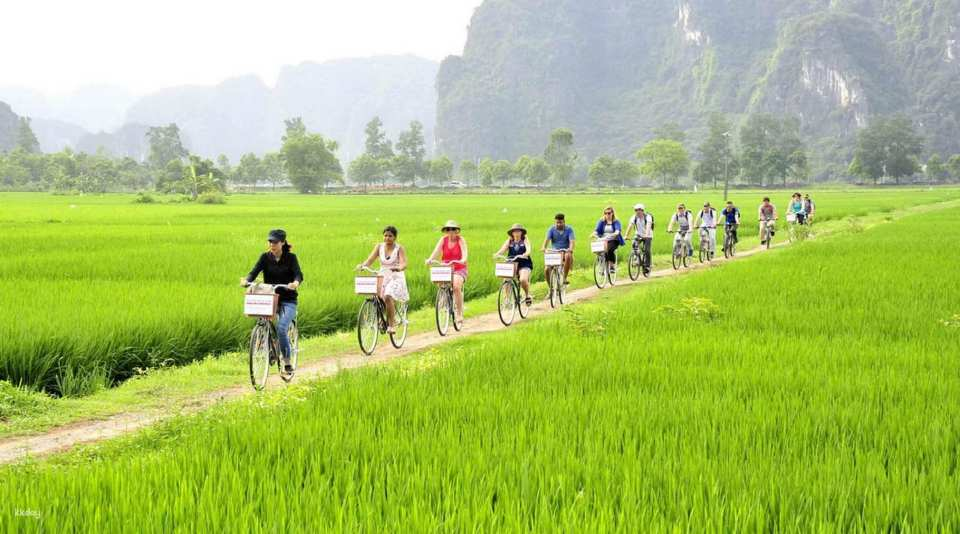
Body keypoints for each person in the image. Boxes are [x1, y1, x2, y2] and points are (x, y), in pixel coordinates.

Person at [241, 229, 303, 374]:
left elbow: (298, 274)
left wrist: (295, 283)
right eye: (270, 241)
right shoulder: (265, 257)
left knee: (282, 328)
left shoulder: (291, 258)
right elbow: (254, 272)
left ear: (282, 242)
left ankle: (287, 362)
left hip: (288, 300)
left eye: (275, 242)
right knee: (263, 319)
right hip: (270, 298)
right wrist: (246, 280)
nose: (272, 244)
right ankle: (268, 346)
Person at [357, 225, 408, 334]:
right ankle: (382, 318)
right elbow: (370, 260)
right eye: (385, 236)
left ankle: (392, 324)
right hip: (383, 275)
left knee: (388, 295)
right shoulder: (379, 247)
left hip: (395, 276)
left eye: (390, 236)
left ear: (395, 237)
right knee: (377, 295)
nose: (387, 238)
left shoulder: (399, 248)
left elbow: (404, 263)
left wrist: (399, 268)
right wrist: (363, 265)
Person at [425, 220, 468, 324]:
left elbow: (465, 252)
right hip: (445, 268)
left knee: (456, 286)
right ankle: (444, 297)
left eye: (453, 229)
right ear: (446, 231)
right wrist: (430, 259)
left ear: (456, 230)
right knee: (439, 281)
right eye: (448, 229)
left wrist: (463, 259)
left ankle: (459, 313)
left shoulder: (460, 240)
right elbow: (436, 251)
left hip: (459, 268)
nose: (451, 231)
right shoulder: (443, 240)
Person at [494, 224, 534, 305]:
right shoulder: (509, 240)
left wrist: (525, 254)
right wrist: (497, 254)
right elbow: (503, 249)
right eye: (514, 231)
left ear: (521, 232)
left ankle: (527, 295)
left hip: (524, 263)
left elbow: (528, 249)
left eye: (518, 231)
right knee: (506, 279)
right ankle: (507, 299)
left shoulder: (525, 239)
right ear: (512, 233)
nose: (516, 233)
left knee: (523, 279)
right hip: (511, 263)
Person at [541, 213, 575, 285]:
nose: (559, 224)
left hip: (565, 251)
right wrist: (544, 247)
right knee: (547, 269)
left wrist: (570, 249)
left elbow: (572, 241)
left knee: (568, 255)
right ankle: (550, 289)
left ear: (564, 222)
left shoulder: (569, 229)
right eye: (557, 222)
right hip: (555, 252)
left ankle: (564, 278)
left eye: (560, 222)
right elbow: (547, 240)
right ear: (555, 222)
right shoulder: (551, 229)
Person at [593, 206, 624, 274]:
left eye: (609, 213)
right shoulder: (601, 221)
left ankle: (612, 265)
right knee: (599, 251)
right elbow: (597, 230)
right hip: (603, 239)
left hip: (613, 239)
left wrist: (614, 234)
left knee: (609, 250)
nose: (607, 215)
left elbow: (617, 231)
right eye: (605, 213)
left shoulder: (616, 221)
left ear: (612, 213)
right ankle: (601, 265)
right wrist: (594, 234)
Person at [625, 203, 653, 273]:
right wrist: (626, 235)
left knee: (647, 250)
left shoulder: (648, 217)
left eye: (638, 210)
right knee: (634, 244)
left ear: (642, 210)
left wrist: (646, 235)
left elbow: (648, 226)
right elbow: (630, 226)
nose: (637, 211)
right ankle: (636, 258)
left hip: (648, 235)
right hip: (638, 234)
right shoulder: (634, 217)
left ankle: (647, 266)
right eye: (636, 210)